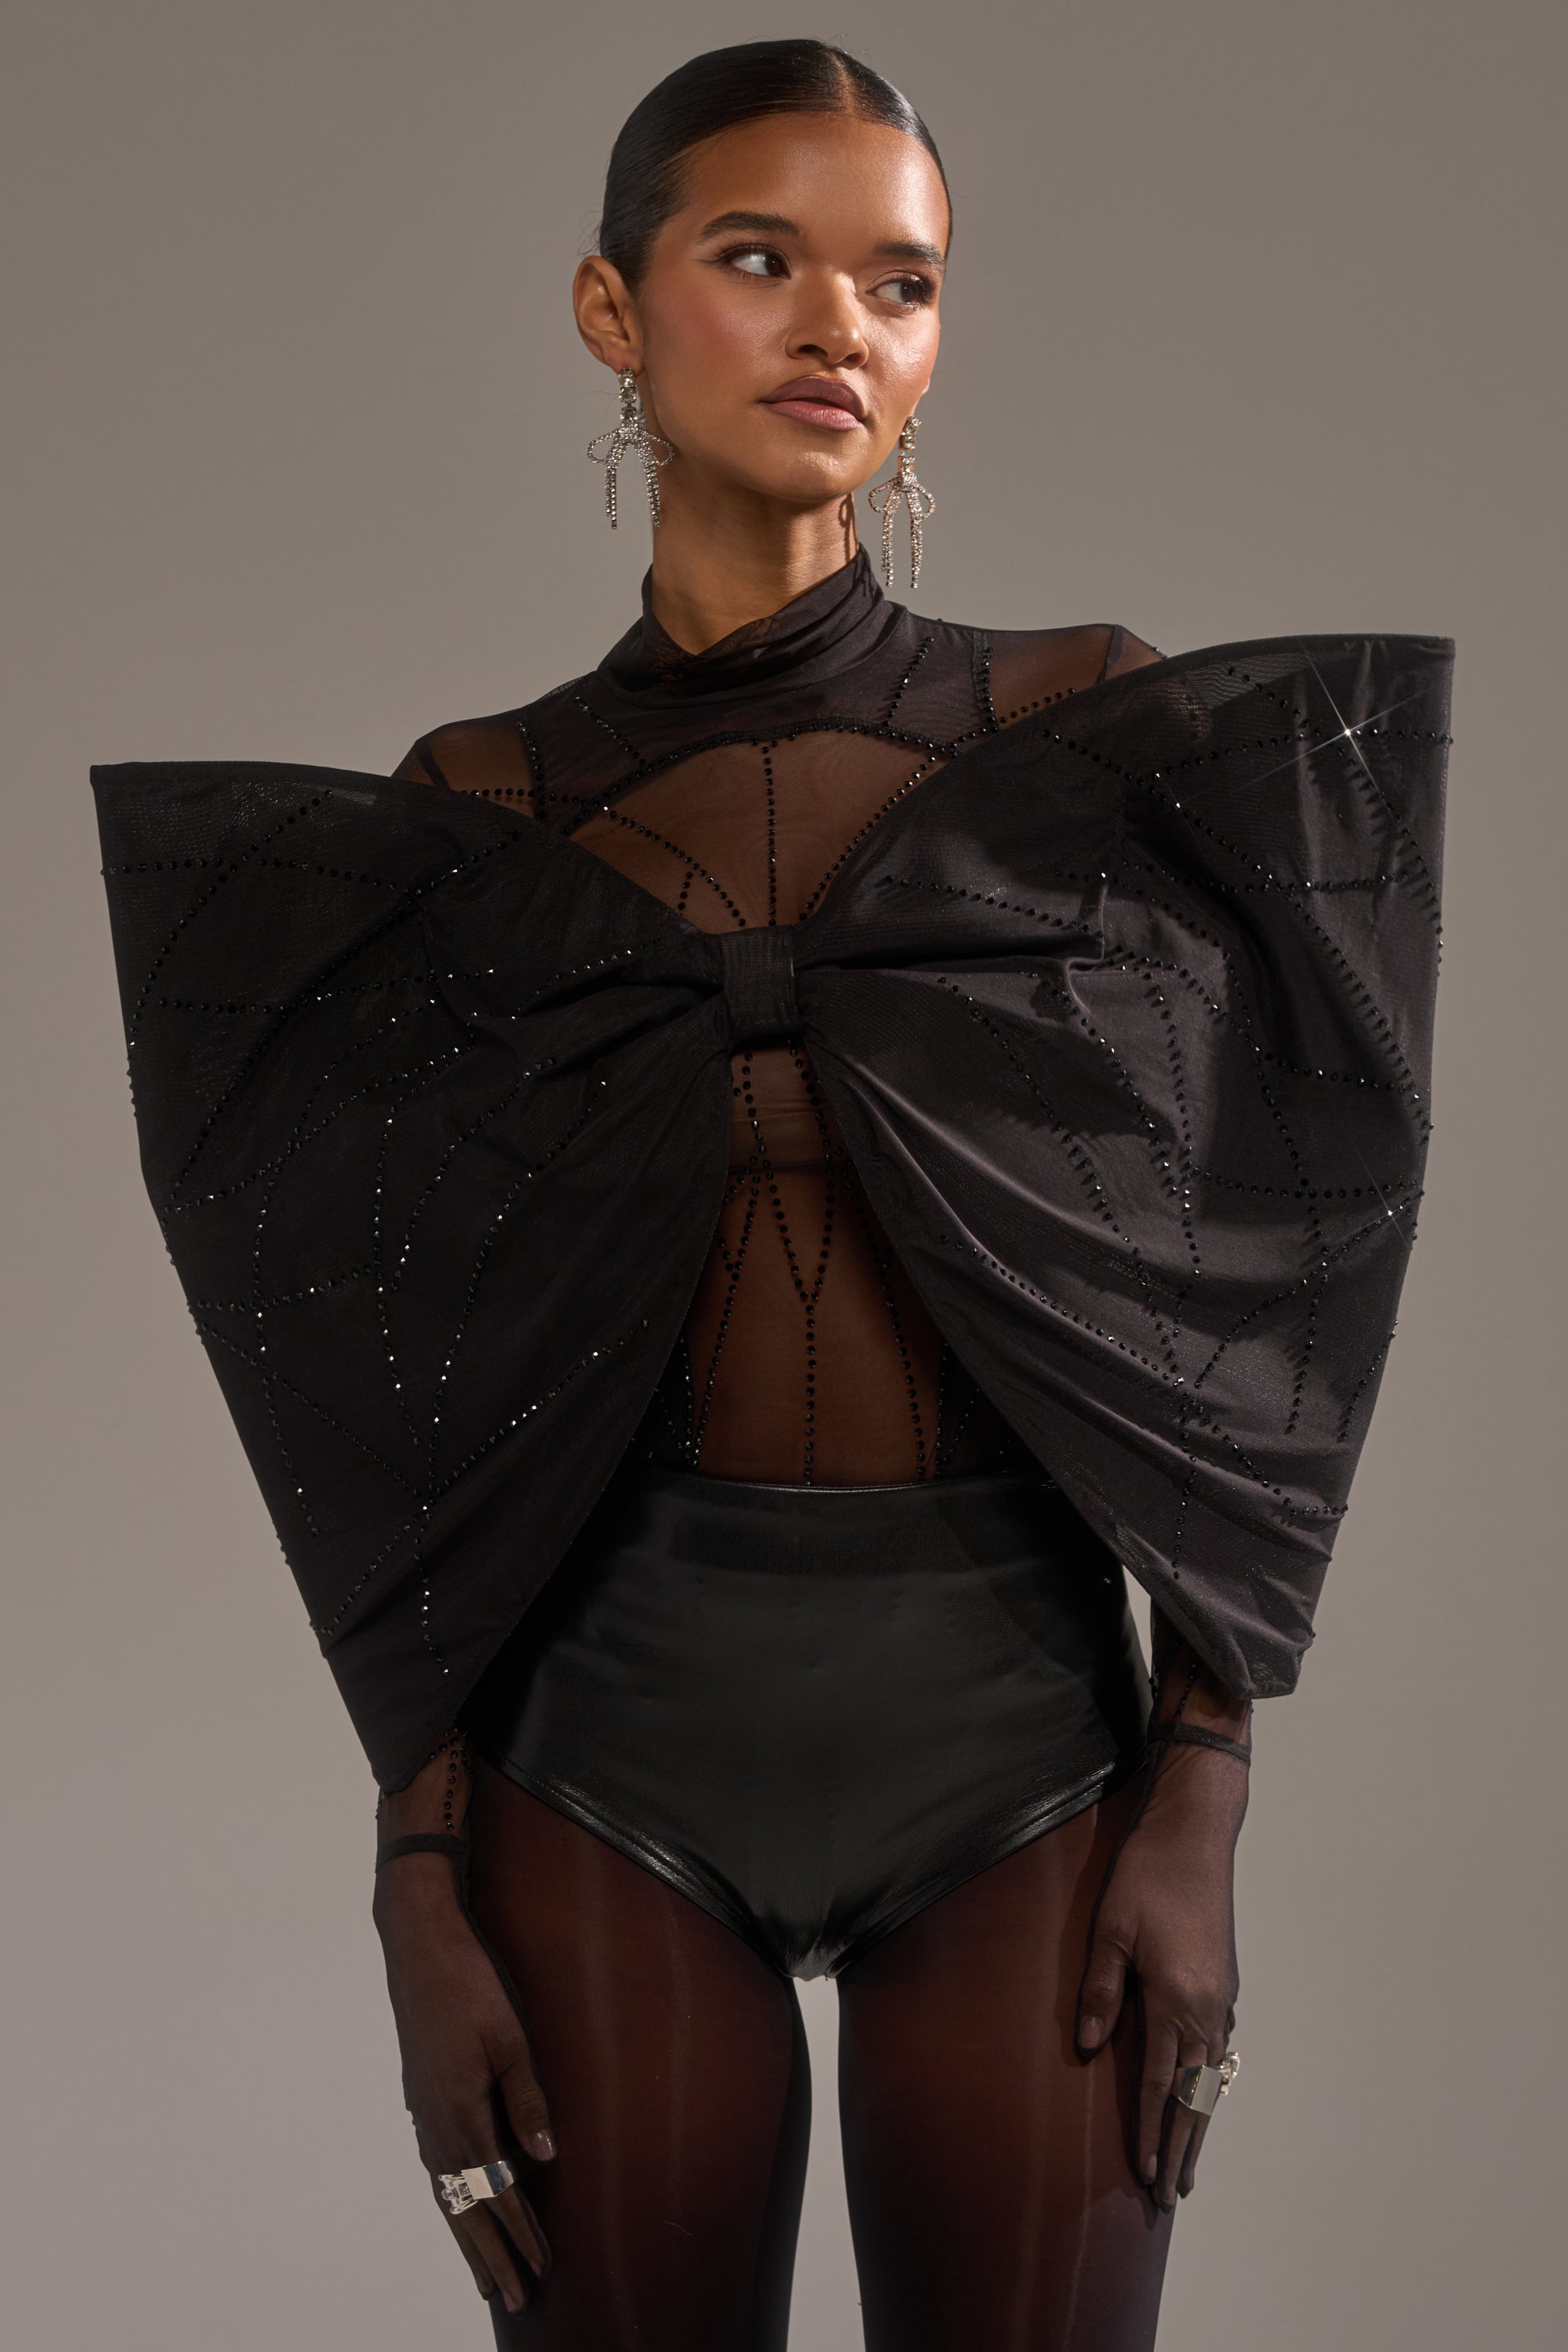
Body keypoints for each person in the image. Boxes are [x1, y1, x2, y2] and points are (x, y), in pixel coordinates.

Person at [92, 38, 1450, 2352]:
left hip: (1027, 1740)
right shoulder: (483, 803)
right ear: (613, 310)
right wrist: (415, 1872)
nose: (842, 327)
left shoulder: (1081, 732)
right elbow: (405, 1415)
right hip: (590, 1746)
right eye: (761, 259)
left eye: (901, 283)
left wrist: (1206, 1783)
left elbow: (1251, 1295)